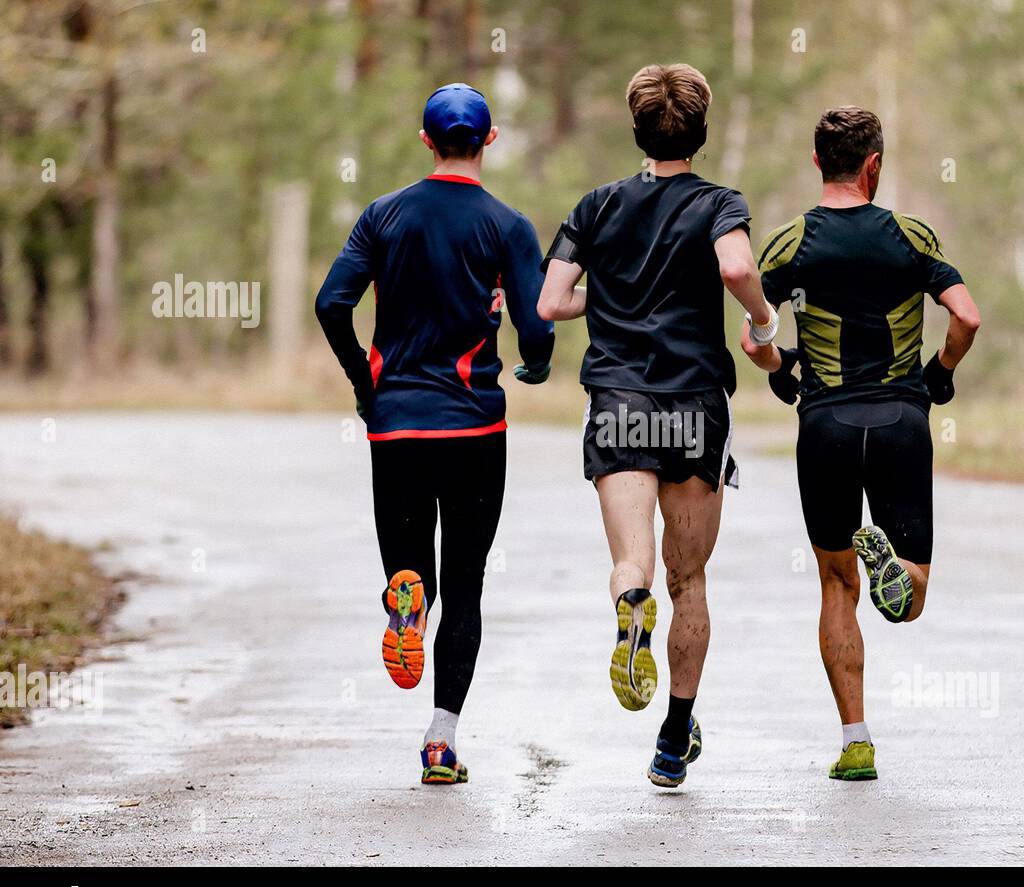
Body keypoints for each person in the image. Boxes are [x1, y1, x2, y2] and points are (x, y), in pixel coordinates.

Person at [536, 63, 777, 788]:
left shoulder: (597, 206)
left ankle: (627, 608)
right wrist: (763, 319)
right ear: (699, 134)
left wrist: (603, 300)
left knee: (632, 564)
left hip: (619, 404)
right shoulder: (719, 203)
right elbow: (736, 269)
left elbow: (551, 301)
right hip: (694, 404)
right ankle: (673, 741)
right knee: (691, 578)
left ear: (635, 129)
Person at [314, 83, 554, 785]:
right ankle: (441, 743)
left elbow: (332, 303)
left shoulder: (382, 216)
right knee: (468, 585)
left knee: (411, 568)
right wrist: (532, 364)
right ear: (491, 139)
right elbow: (536, 326)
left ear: (425, 141)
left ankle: (404, 603)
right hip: (475, 427)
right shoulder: (507, 225)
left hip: (396, 429)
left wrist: (365, 384)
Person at [744, 106, 981, 781]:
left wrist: (783, 369)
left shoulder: (790, 243)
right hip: (901, 422)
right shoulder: (911, 235)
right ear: (873, 165)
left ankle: (856, 739)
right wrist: (939, 374)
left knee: (835, 582)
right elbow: (967, 315)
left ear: (819, 162)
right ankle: (895, 568)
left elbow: (751, 341)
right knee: (912, 594)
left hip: (826, 427)